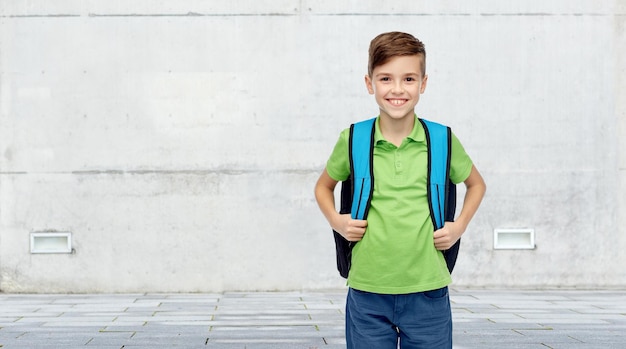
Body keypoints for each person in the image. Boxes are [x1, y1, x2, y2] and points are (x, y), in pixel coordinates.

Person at [314, 31, 486, 349]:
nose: (397, 89)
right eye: (385, 79)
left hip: (428, 290)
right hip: (367, 290)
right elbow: (323, 186)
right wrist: (337, 222)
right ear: (370, 84)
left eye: (408, 78)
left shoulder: (442, 140)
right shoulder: (353, 139)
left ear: (423, 83)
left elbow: (476, 184)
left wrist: (458, 226)